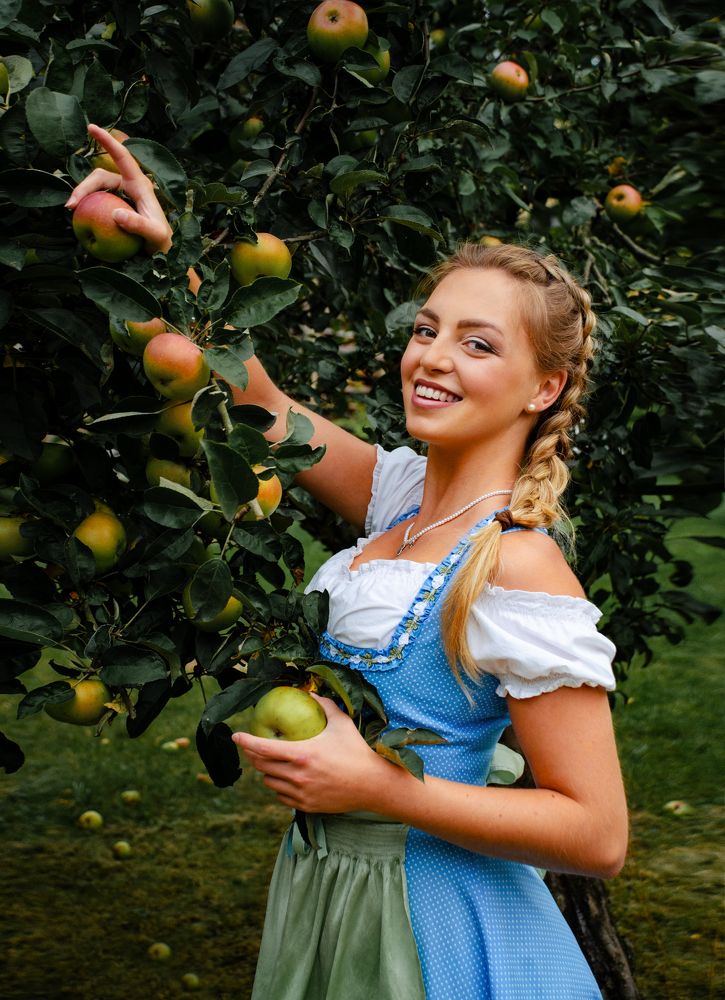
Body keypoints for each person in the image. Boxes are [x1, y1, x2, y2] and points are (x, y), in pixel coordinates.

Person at [68, 126, 629, 1000]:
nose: (431, 359)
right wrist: (159, 252)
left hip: (436, 918)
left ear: (543, 388)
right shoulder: (398, 497)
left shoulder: (514, 566)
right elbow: (256, 398)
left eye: (478, 345)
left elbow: (597, 836)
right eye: (427, 329)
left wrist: (377, 787)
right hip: (328, 899)